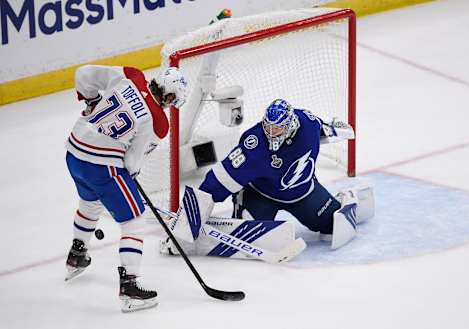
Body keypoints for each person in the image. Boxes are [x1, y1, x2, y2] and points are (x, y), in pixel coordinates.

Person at [64, 64, 187, 312]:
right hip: (101, 165)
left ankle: (77, 255)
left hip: (74, 151)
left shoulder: (132, 76)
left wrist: (92, 101)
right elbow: (131, 161)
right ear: (170, 96)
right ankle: (130, 287)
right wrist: (131, 173)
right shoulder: (160, 124)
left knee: (90, 203)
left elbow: (84, 74)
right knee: (134, 221)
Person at [196, 99, 374, 250]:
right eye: (268, 127)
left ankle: (346, 199)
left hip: (303, 192)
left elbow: (322, 128)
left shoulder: (308, 122)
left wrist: (336, 129)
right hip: (260, 195)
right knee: (250, 237)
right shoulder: (254, 144)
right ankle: (243, 206)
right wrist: (193, 213)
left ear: (291, 125)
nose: (271, 133)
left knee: (333, 225)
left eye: (278, 128)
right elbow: (220, 179)